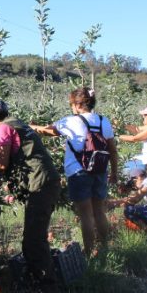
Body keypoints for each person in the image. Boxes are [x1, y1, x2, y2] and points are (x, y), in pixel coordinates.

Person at [0, 97, 61, 293]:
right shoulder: (19, 123)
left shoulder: (3, 130)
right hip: (47, 181)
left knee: (33, 242)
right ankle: (43, 286)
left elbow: (2, 164)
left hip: (40, 184)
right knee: (36, 238)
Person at [31, 88, 119, 257]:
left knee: (85, 214)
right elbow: (113, 150)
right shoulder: (103, 121)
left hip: (79, 172)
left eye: (72, 104)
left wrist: (29, 127)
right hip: (100, 170)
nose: (71, 107)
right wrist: (113, 172)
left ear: (78, 105)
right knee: (99, 211)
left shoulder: (71, 121)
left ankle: (88, 253)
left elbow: (47, 131)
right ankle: (105, 248)